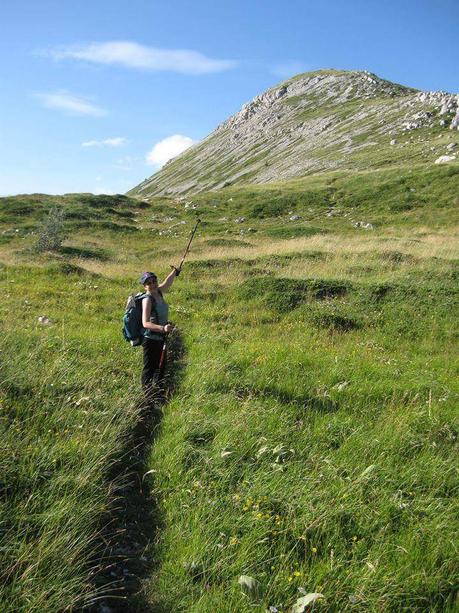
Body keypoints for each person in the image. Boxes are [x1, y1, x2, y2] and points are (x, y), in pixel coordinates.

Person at [139, 268, 179, 396]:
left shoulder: (159, 292)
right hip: (151, 340)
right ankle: (146, 396)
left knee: (161, 367)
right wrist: (163, 328)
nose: (152, 284)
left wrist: (174, 271)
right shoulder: (147, 300)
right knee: (149, 369)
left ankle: (159, 394)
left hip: (161, 338)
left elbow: (167, 283)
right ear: (145, 286)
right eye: (148, 283)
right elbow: (145, 323)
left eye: (154, 281)